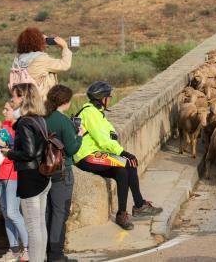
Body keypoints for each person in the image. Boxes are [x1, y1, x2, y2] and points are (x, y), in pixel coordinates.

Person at [74, 81, 162, 230]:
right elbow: (103, 139)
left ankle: (123, 213)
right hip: (86, 156)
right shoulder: (90, 113)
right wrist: (123, 152)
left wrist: (113, 137)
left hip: (95, 154)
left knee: (122, 172)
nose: (110, 99)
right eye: (109, 96)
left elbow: (109, 131)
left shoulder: (96, 112)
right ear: (103, 98)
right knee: (129, 161)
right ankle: (138, 206)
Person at [5, 83, 51, 262]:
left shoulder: (25, 122)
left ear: (23, 98)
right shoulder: (40, 119)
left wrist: (9, 153)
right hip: (42, 176)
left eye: (15, 96)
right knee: (39, 224)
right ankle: (40, 258)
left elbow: (29, 153)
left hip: (30, 178)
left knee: (33, 226)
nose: (12, 100)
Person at [44, 85, 83, 262]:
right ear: (66, 102)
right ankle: (56, 254)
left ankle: (45, 251)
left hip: (44, 170)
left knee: (48, 212)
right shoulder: (62, 121)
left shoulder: (43, 117)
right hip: (61, 171)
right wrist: (80, 135)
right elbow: (72, 148)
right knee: (60, 212)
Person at [0, 101, 29, 262]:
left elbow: (23, 151)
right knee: (6, 214)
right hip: (0, 174)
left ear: (16, 111)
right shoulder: (3, 125)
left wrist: (6, 146)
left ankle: (29, 248)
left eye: (7, 109)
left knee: (13, 212)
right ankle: (14, 250)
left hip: (13, 174)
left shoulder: (21, 127)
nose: (3, 112)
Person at [11, 28, 72, 99]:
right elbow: (64, 65)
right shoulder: (41, 59)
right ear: (38, 42)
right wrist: (64, 47)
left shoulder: (19, 59)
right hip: (40, 103)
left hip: (26, 99)